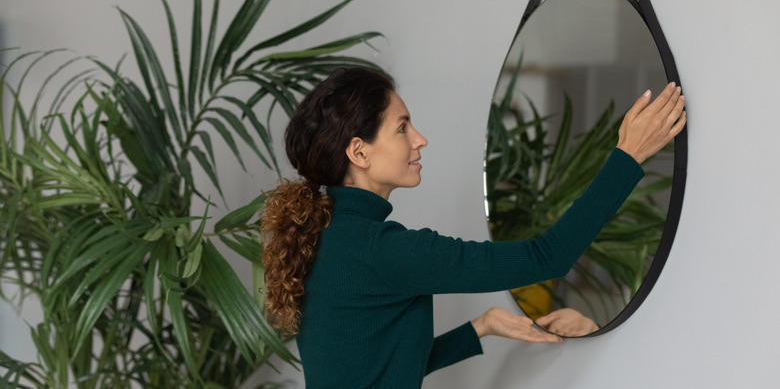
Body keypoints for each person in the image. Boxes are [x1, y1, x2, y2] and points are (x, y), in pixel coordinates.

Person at [261, 67, 686, 388]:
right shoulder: (383, 250)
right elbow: (549, 256)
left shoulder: (326, 235)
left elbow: (375, 369)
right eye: (402, 127)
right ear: (359, 151)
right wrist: (628, 156)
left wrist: (481, 326)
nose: (420, 139)